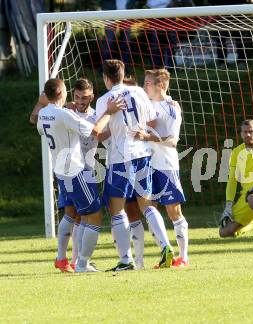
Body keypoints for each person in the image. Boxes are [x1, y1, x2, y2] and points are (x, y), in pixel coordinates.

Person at [36, 78, 122, 272]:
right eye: (68, 91)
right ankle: (82, 263)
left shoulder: (44, 114)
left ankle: (68, 259)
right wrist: (109, 112)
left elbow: (41, 127)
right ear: (61, 93)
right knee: (94, 215)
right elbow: (94, 130)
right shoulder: (64, 114)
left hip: (61, 170)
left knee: (79, 214)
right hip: (75, 171)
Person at [96, 59, 174, 271]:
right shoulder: (139, 92)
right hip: (142, 154)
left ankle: (125, 260)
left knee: (116, 209)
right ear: (123, 74)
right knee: (146, 204)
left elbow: (99, 134)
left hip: (120, 158)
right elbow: (152, 119)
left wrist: (115, 126)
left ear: (106, 78)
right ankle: (166, 246)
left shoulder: (105, 99)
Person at [138, 68, 189, 267]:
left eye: (148, 83)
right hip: (146, 164)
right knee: (149, 210)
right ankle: (165, 253)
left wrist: (148, 137)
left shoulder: (171, 108)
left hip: (165, 165)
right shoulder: (145, 104)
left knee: (173, 211)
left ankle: (183, 258)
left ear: (160, 85)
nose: (144, 86)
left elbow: (172, 141)